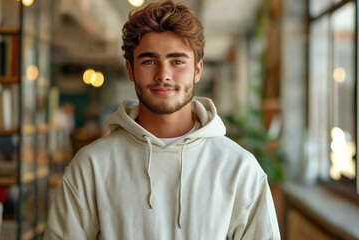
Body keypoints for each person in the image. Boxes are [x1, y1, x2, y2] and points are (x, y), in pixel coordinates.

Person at [44, 1, 281, 239]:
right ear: (130, 69)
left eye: (177, 61)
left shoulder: (240, 169)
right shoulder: (91, 166)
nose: (163, 75)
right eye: (149, 61)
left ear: (197, 70)